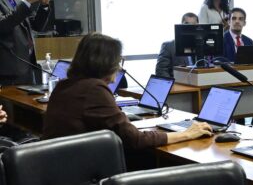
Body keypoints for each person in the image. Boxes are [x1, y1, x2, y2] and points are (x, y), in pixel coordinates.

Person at [43, 33, 212, 151]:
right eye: (118, 61)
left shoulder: (65, 85)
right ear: (105, 63)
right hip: (81, 173)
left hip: (61, 167)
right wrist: (186, 134)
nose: (119, 67)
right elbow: (134, 139)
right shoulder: (94, 89)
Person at [0, 0, 53, 85]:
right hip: (7, 74)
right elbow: (3, 25)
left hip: (28, 69)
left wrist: (44, 6)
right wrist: (26, 2)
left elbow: (36, 26)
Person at [155, 12, 198, 78]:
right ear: (181, 25)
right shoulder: (168, 46)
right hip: (178, 84)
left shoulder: (202, 46)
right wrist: (172, 85)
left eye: (193, 25)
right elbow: (161, 70)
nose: (189, 27)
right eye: (187, 24)